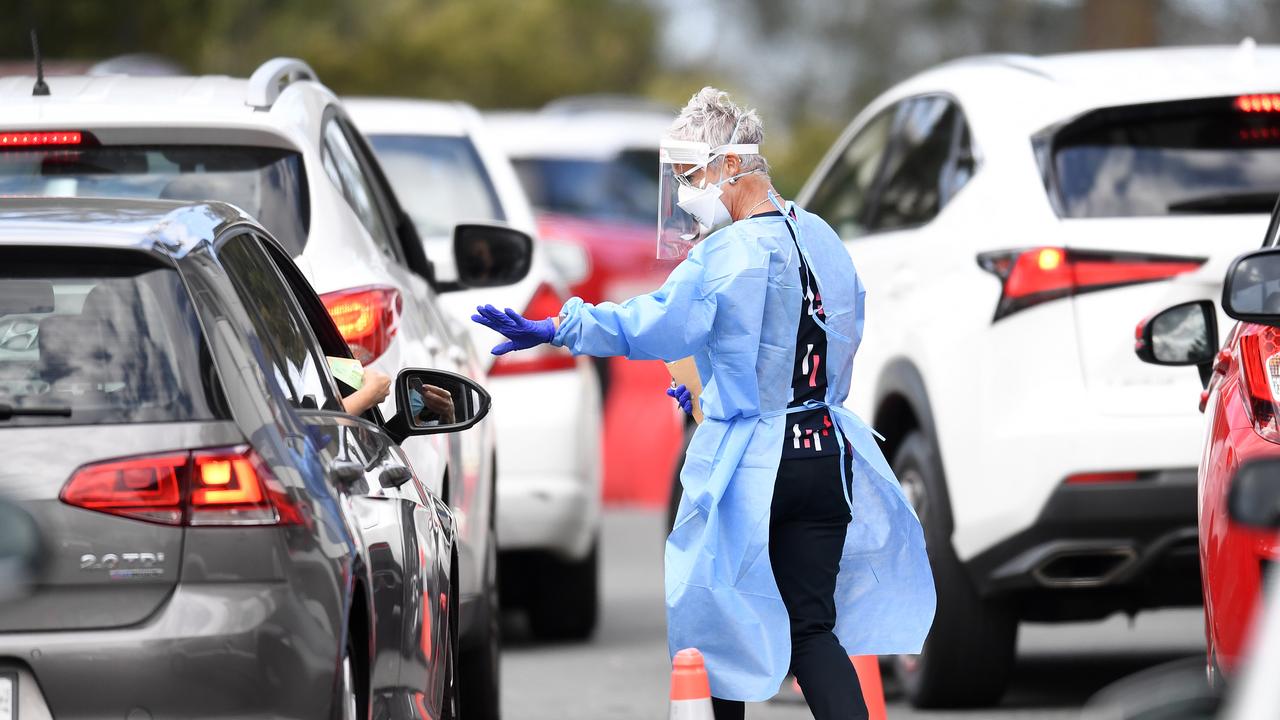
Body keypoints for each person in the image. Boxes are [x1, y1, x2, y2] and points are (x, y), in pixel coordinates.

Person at [472, 87, 935, 720]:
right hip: (828, 451)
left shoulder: (727, 253)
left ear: (730, 165)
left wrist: (558, 327)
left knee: (716, 631)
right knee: (812, 632)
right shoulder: (824, 237)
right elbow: (816, 338)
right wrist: (717, 383)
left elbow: (651, 323)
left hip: (755, 467)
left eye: (691, 175)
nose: (686, 192)